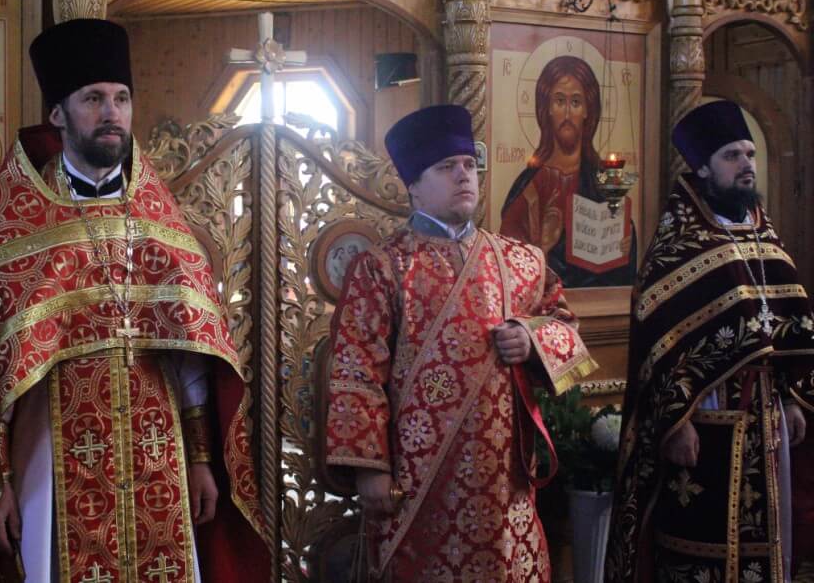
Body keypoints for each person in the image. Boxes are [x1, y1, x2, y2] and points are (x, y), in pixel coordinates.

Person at [0, 19, 268, 583]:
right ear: (58, 114)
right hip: (49, 455)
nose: (112, 112)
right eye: (93, 99)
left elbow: (191, 358)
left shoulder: (161, 222)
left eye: (121, 98)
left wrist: (200, 459)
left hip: (160, 455)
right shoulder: (14, 224)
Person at [322, 104, 597, 580]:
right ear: (413, 185)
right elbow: (356, 370)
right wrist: (370, 468)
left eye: (469, 164)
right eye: (446, 167)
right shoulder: (383, 267)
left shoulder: (522, 261)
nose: (464, 175)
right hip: (418, 475)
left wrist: (531, 340)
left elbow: (566, 330)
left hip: (504, 478)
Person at [605, 100, 814, 582]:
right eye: (731, 156)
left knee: (767, 539)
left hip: (765, 415)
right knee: (703, 544)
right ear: (702, 168)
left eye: (749, 154)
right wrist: (675, 422)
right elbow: (658, 346)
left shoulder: (765, 236)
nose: (746, 164)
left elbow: (788, 326)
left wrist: (791, 397)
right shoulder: (677, 245)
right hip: (706, 416)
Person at [500, 55, 635, 287]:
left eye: (576, 102)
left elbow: (621, 245)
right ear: (547, 108)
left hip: (598, 300)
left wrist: (626, 244)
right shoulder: (530, 184)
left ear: (587, 110)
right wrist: (542, 248)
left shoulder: (603, 180)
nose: (567, 114)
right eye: (559, 101)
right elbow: (508, 253)